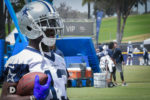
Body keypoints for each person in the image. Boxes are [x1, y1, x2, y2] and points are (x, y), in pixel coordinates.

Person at [0, 1, 68, 100]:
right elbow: (5, 97)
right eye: (45, 23)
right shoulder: (19, 60)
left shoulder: (60, 59)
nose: (52, 28)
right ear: (29, 27)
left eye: (53, 22)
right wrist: (33, 98)